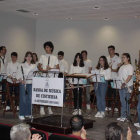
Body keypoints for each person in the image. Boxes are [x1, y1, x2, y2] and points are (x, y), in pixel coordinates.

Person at [38, 41, 59, 115]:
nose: (46, 49)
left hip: (51, 77)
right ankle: (42, 107)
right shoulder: (42, 56)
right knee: (43, 92)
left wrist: (51, 68)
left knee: (50, 93)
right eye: (45, 47)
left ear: (51, 48)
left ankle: (49, 108)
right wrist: (42, 70)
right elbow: (39, 66)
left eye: (47, 47)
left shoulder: (55, 57)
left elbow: (57, 68)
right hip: (43, 76)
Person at [16, 51, 37, 120]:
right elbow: (17, 75)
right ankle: (21, 114)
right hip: (23, 83)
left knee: (30, 99)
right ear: (25, 57)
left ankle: (29, 113)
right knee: (23, 99)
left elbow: (36, 75)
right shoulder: (21, 65)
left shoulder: (34, 66)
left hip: (31, 83)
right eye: (27, 56)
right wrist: (21, 80)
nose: (29, 58)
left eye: (30, 56)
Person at [117, 53, 134, 122]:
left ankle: (126, 116)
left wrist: (124, 83)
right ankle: (123, 115)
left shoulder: (130, 66)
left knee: (126, 101)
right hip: (121, 85)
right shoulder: (122, 66)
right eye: (122, 57)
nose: (122, 59)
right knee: (122, 101)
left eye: (124, 57)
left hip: (127, 86)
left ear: (128, 58)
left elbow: (129, 76)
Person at [106, 45, 121, 111]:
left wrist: (113, 70)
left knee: (115, 93)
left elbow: (120, 69)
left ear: (114, 50)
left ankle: (116, 107)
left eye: (111, 50)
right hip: (108, 78)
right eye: (108, 50)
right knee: (108, 93)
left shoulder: (117, 58)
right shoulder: (107, 58)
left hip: (115, 78)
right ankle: (108, 106)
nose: (109, 51)